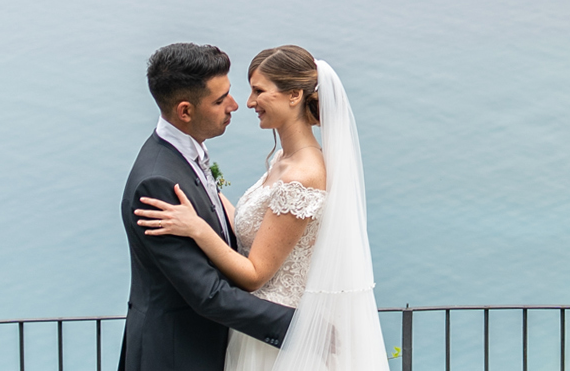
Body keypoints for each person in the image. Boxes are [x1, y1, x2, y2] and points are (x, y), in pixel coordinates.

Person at [136, 46, 386, 371]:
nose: (248, 102)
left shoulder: (303, 175)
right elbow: (255, 221)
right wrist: (206, 184)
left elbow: (254, 276)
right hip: (260, 331)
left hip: (279, 340)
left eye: (259, 91)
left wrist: (197, 228)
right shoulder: (284, 160)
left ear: (294, 95)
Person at [121, 44, 296, 371]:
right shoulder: (156, 184)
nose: (234, 106)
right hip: (176, 357)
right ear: (185, 111)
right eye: (219, 100)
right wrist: (302, 327)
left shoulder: (186, 156)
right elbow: (208, 294)